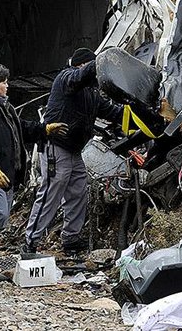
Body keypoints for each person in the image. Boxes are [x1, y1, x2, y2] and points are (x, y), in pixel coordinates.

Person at [0, 63, 67, 282]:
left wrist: (44, 129)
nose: (7, 86)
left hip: (8, 175)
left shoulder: (5, 107)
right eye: (4, 82)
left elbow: (20, 128)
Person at [23, 48, 122, 255]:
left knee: (78, 192)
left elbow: (114, 113)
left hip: (74, 150)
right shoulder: (66, 78)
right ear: (82, 65)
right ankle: (31, 241)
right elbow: (79, 77)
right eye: (91, 67)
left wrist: (142, 112)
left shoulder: (91, 94)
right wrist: (101, 62)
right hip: (56, 145)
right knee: (51, 192)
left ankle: (71, 238)